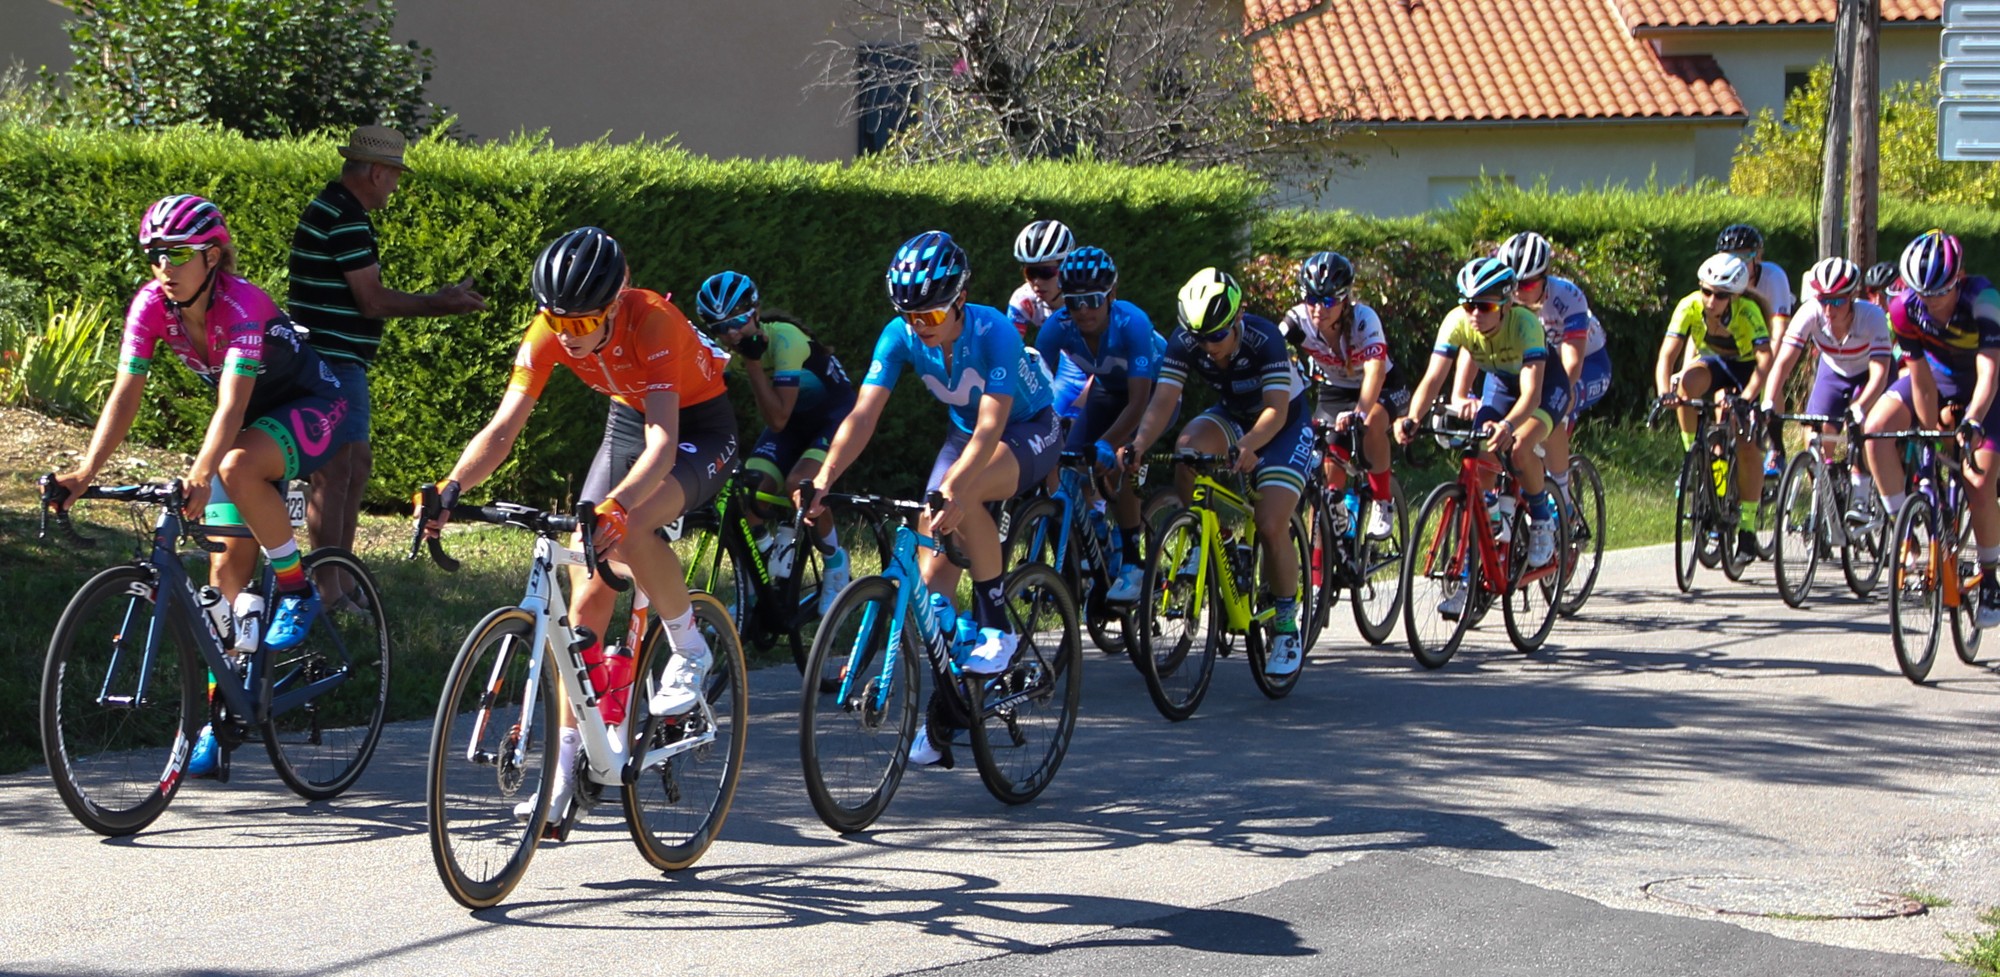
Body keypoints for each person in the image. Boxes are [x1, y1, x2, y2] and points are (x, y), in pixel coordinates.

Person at [422, 227, 737, 819]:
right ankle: (566, 767)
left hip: (698, 430)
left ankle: (690, 647)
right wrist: (452, 485)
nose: (570, 338)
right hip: (627, 422)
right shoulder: (549, 332)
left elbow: (665, 444)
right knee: (586, 591)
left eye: (582, 323)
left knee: (632, 526)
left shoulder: (654, 322)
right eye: (559, 324)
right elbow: (502, 429)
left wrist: (617, 508)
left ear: (614, 304)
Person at [54, 195, 354, 775]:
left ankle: (296, 588)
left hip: (310, 404)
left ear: (212, 256)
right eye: (153, 254)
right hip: (247, 425)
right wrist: (84, 472)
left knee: (234, 467)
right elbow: (126, 394)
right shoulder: (150, 305)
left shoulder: (241, 306)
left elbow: (230, 402)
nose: (163, 265)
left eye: (177, 253)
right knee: (223, 585)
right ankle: (224, 715)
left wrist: (198, 472)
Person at [802, 230, 1058, 767]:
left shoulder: (994, 333)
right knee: (931, 576)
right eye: (912, 318)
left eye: (932, 317)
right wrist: (823, 477)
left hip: (1026, 428)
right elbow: (863, 415)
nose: (922, 329)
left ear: (959, 301)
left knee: (968, 495)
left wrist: (957, 488)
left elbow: (992, 426)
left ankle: (995, 626)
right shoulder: (900, 336)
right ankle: (949, 702)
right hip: (964, 437)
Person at [289, 125, 486, 592]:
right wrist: (440, 303)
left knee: (351, 469)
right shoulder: (346, 218)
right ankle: (330, 590)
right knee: (336, 472)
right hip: (330, 361)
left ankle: (343, 580)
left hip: (335, 359)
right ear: (376, 172)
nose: (396, 185)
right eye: (394, 174)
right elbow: (371, 301)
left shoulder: (335, 208)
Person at [1120, 269, 1312, 676]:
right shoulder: (1187, 339)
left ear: (1239, 316)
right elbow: (1163, 399)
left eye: (1216, 337)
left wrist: (1247, 447)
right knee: (1187, 449)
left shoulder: (1264, 339)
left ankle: (1285, 624)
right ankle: (1205, 537)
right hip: (1234, 414)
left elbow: (1276, 411)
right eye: (1198, 337)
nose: (1207, 347)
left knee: (1270, 521)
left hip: (1282, 422)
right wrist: (1138, 444)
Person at [1394, 257, 1567, 610]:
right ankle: (1473, 571)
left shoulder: (1525, 324)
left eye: (1485, 305)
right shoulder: (1457, 322)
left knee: (1519, 448)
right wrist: (1412, 417)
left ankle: (1543, 519)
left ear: (1504, 304)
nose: (1475, 313)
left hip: (1545, 388)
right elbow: (1432, 379)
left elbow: (1532, 395)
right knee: (1478, 461)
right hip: (1502, 384)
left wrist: (1507, 425)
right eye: (1468, 304)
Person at [693, 270, 857, 613]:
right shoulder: (727, 350)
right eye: (720, 328)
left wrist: (753, 364)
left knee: (802, 487)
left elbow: (778, 417)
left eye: (737, 321)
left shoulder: (785, 340)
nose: (732, 333)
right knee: (746, 496)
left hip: (833, 416)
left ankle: (836, 565)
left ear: (755, 312)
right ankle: (759, 578)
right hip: (794, 424)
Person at [1863, 230, 2000, 626]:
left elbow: (1989, 372)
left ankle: (1990, 578)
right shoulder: (1904, 308)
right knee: (1877, 430)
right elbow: (1920, 379)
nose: (1931, 302)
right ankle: (1903, 534)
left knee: (1978, 482)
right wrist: (1932, 443)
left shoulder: (1984, 299)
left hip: (1983, 386)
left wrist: (1972, 420)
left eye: (1939, 293)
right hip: (1937, 379)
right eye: (1922, 293)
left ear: (1959, 278)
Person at [1032, 246, 1164, 602]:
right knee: (1068, 464)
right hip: (1106, 391)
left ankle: (1134, 562)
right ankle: (1094, 541)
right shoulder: (1056, 329)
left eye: (1092, 300)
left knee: (1120, 460)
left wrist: (1108, 443)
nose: (1084, 310)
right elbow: (1034, 390)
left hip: (1152, 394)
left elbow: (1139, 403)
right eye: (1074, 302)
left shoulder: (1131, 323)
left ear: (1112, 295)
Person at [1279, 251, 1409, 539]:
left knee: (1371, 423)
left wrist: (1360, 413)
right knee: (1328, 465)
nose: (1318, 310)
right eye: (1311, 300)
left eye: (1327, 301)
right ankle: (1333, 526)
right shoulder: (1298, 320)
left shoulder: (1364, 319)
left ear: (1344, 299)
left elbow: (1375, 371)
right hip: (1335, 391)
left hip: (1384, 387)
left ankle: (1383, 501)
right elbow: (1273, 351)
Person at [1655, 252, 1773, 561]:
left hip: (1747, 369)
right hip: (1714, 363)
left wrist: (1748, 397)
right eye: (1706, 291)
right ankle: (1692, 453)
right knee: (1685, 386)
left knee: (1746, 444)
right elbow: (1667, 355)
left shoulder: (1747, 312)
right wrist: (1663, 391)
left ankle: (1747, 527)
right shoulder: (1689, 305)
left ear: (1733, 296)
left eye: (1720, 295)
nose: (1711, 300)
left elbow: (1765, 361)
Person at [1758, 257, 1892, 529]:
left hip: (1869, 375)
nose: (1829, 309)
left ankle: (1861, 495)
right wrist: (1769, 402)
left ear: (1852, 297)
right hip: (1833, 374)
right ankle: (1826, 496)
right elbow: (1782, 363)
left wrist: (1860, 407)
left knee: (1864, 429)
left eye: (1837, 302)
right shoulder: (1810, 313)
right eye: (1824, 301)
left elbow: (1879, 374)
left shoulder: (1873, 317)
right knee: (1814, 438)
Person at [1494, 232, 1610, 516]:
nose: (1519, 291)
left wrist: (1554, 404)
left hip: (1589, 366)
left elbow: (1571, 366)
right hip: (1540, 367)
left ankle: (1562, 498)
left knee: (1557, 407)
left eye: (1528, 283)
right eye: (1514, 284)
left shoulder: (1568, 297)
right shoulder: (1501, 299)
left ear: (1545, 277)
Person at [1715, 224, 1796, 481]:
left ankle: (1776, 447)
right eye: (1731, 257)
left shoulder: (1773, 277)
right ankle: (1716, 457)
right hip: (1738, 340)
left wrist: (1766, 363)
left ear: (1758, 257)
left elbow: (1780, 327)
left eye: (1745, 256)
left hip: (1769, 336)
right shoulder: (1720, 278)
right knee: (1721, 390)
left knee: (1771, 379)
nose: (1738, 263)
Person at [1009, 219, 1088, 419]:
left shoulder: (1089, 301)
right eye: (1030, 272)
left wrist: (1077, 412)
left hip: (1121, 372)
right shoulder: (1024, 300)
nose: (1036, 283)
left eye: (1045, 273)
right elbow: (1007, 354)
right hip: (1071, 368)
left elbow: (1108, 370)